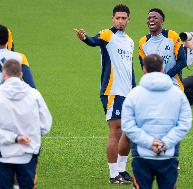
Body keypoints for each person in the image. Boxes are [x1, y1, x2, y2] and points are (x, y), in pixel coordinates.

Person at [73, 4, 135, 184]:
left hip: (127, 93)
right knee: (115, 131)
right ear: (113, 19)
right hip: (112, 92)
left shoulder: (130, 41)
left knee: (128, 132)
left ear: (128, 20)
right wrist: (84, 37)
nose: (121, 21)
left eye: (124, 18)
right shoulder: (107, 35)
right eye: (118, 18)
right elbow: (93, 41)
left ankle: (122, 170)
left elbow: (129, 69)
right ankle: (113, 174)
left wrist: (135, 90)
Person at [122, 54, 192, 189]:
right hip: (168, 154)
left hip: (142, 155)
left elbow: (128, 125)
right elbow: (185, 123)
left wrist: (150, 143)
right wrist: (166, 143)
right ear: (162, 68)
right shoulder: (178, 94)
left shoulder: (134, 94)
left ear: (144, 69)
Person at [0, 59, 52, 189]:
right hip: (28, 153)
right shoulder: (34, 94)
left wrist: (13, 138)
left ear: (4, 74)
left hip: (3, 154)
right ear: (21, 74)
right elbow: (46, 125)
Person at [138, 8, 186, 91]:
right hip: (153, 85)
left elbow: (182, 62)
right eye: (149, 18)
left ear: (162, 21)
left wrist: (165, 77)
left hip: (173, 85)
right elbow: (144, 66)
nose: (151, 20)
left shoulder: (172, 36)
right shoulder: (143, 42)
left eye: (155, 18)